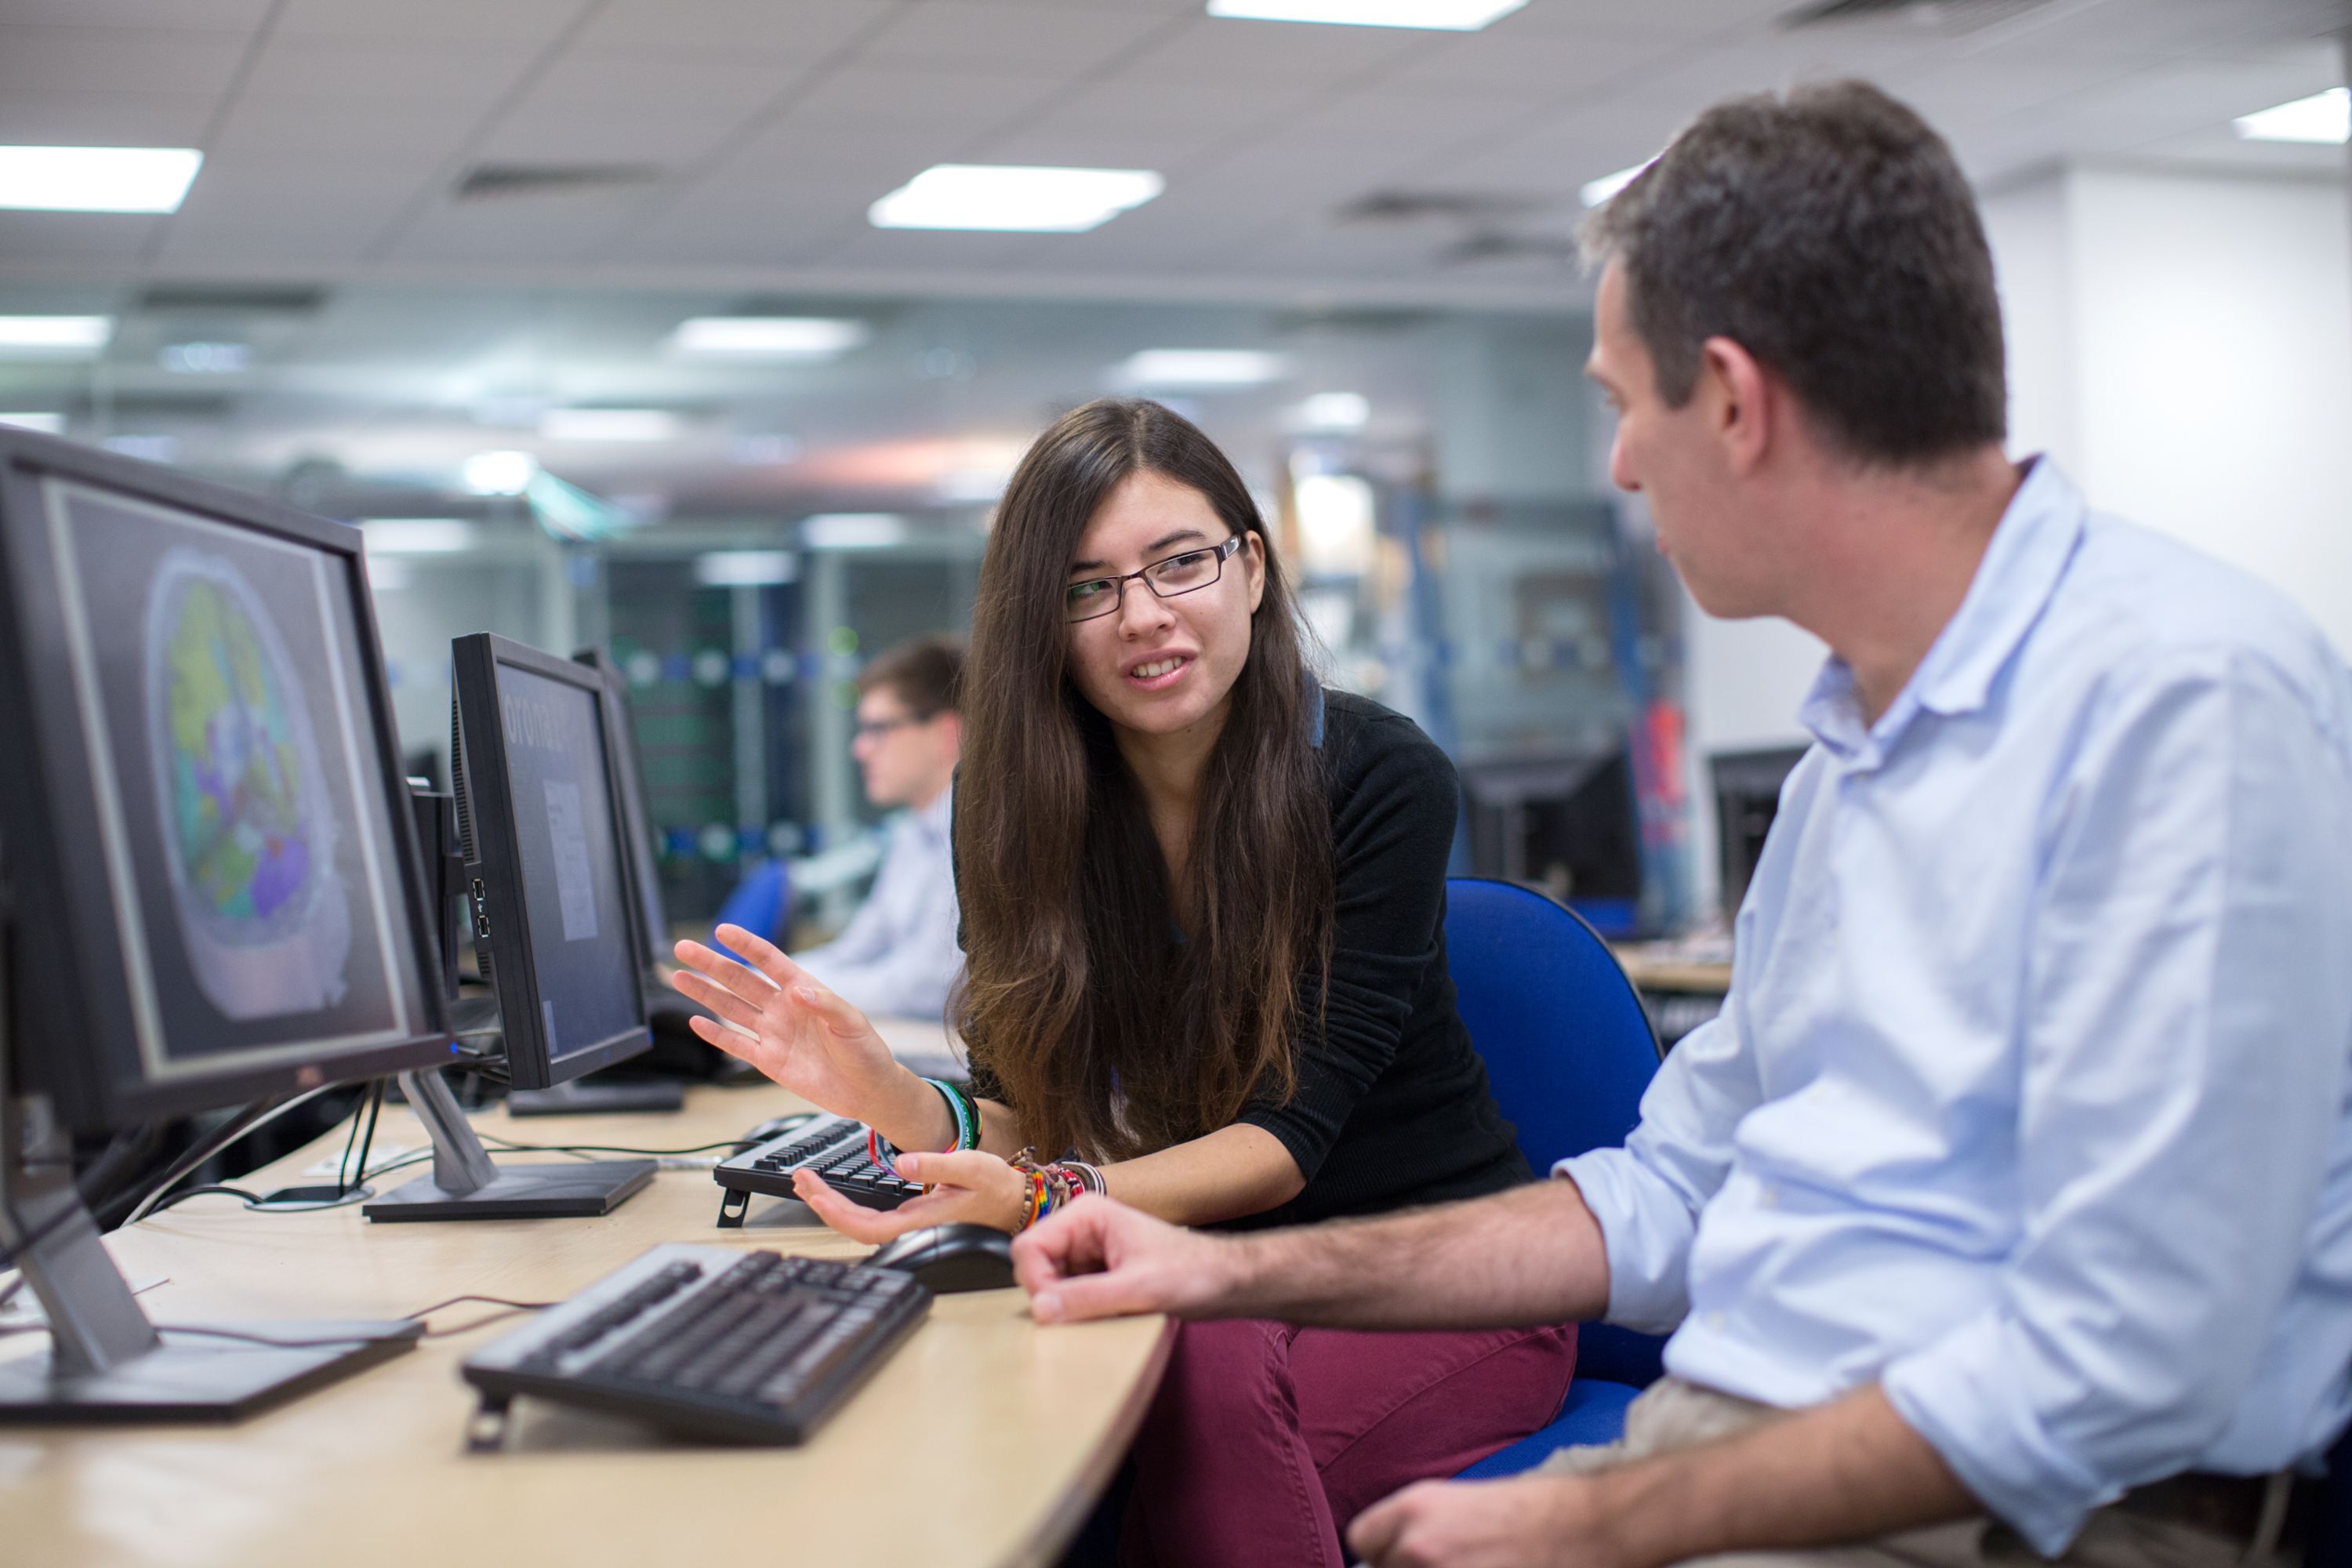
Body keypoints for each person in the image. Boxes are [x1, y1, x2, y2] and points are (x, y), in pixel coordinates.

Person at [1007, 82, 2352, 1568]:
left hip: (2045, 1518)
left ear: (1731, 400)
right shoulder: (1864, 746)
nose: (1622, 466)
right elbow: (1667, 1196)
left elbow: (2119, 1363)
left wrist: (1603, 1519)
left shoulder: (2183, 704)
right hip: (1752, 1435)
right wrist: (1202, 1271)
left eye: (1622, 405)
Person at [669, 397, 1577, 1566]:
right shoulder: (1012, 815)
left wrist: (1049, 1204)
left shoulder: (1373, 776)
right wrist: (886, 1093)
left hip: (1431, 1272)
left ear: (1250, 568)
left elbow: (1283, 1143)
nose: (1142, 616)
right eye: (1086, 588)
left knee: (1150, 1447)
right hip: (1200, 1274)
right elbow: (1027, 1111)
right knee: (1059, 1407)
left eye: (1179, 563)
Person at [785, 635, 966, 1020]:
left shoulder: (976, 836)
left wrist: (783, 991)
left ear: (946, 733)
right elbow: (857, 950)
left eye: (878, 729)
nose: (860, 749)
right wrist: (754, 981)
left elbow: (925, 989)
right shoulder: (913, 835)